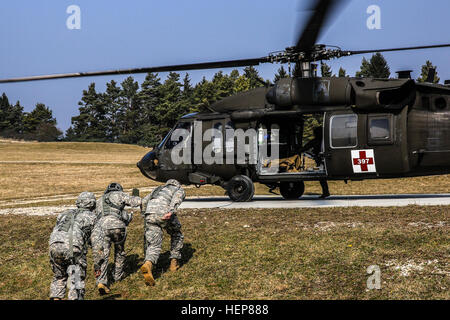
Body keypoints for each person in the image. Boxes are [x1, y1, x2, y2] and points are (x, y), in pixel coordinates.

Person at [91, 183, 141, 295]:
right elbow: (136, 202)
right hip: (118, 226)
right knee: (119, 251)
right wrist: (136, 195)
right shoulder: (120, 195)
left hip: (100, 228)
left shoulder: (99, 200)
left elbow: (93, 217)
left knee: (102, 255)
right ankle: (118, 276)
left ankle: (101, 282)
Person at [48, 192, 97, 300]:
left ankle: (56, 297)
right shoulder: (92, 217)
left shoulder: (64, 213)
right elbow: (96, 242)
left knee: (59, 276)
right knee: (76, 279)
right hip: (72, 247)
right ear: (92, 204)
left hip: (54, 244)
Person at [140, 179, 185, 286]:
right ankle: (174, 262)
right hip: (164, 213)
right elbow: (176, 199)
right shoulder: (179, 189)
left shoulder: (157, 189)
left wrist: (144, 215)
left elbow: (144, 201)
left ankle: (148, 264)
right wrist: (171, 212)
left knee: (154, 244)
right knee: (176, 234)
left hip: (150, 214)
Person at [298, 126, 330, 198]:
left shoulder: (315, 141)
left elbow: (305, 147)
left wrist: (297, 151)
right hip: (324, 160)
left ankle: (326, 191)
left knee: (321, 176)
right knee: (322, 177)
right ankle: (325, 191)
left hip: (321, 160)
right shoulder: (325, 141)